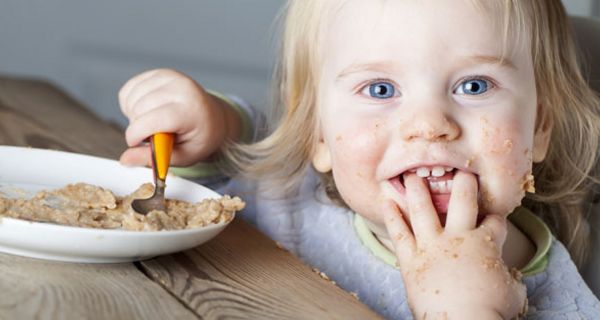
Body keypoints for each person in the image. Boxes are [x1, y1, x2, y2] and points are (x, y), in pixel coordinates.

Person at [118, 0, 600, 318]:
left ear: (540, 127)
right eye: (380, 89)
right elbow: (221, 177)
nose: (428, 124)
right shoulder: (293, 207)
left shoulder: (560, 300)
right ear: (318, 135)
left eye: (474, 86)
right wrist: (218, 123)